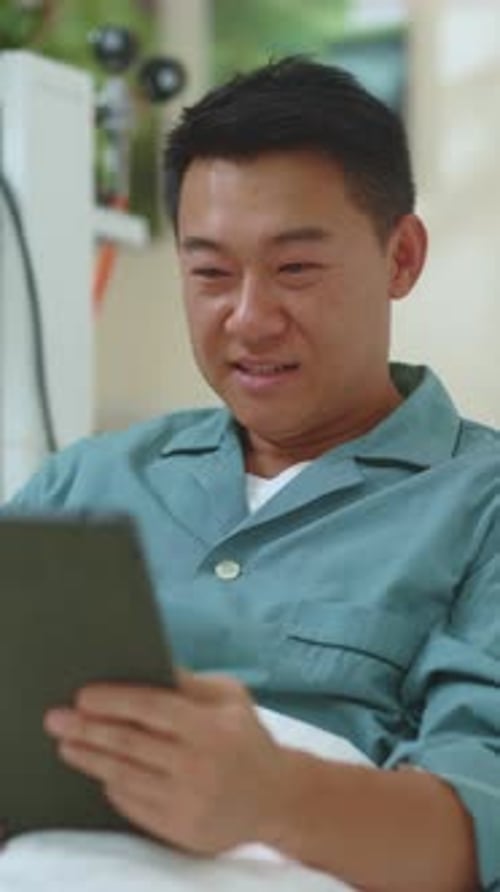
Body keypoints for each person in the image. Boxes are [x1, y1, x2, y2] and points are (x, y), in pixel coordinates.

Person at [5, 57, 500, 891]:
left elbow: (478, 828)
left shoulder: (479, 505)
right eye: (209, 272)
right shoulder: (85, 482)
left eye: (295, 268)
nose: (247, 317)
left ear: (401, 256)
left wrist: (272, 797)